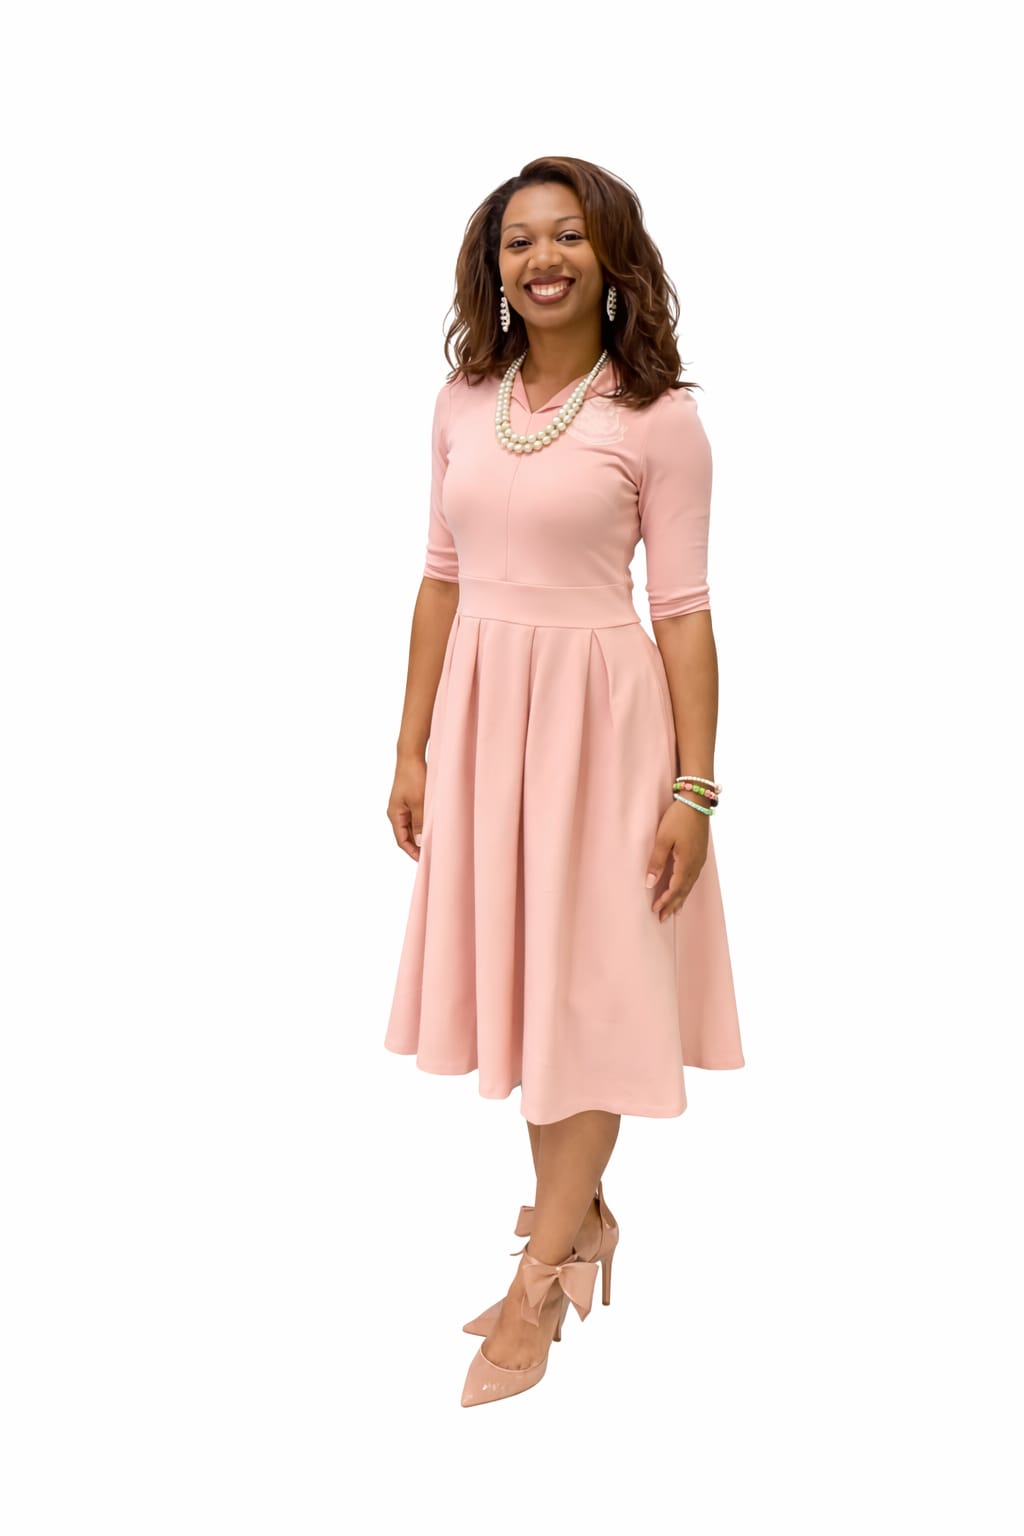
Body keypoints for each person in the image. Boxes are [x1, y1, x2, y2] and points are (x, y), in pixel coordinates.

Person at [385, 155, 745, 1407]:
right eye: (518, 241)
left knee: (589, 993)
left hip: (603, 730)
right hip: (485, 720)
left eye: (568, 236)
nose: (542, 258)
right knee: (531, 990)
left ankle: (541, 1280)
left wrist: (694, 790)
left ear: (610, 257)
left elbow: (684, 613)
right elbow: (439, 579)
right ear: (494, 268)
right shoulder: (461, 400)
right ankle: (574, 1217)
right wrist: (410, 743)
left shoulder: (658, 418)